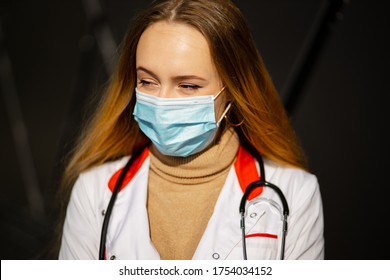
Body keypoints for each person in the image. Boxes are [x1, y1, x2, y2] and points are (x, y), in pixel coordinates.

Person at [58, 0, 324, 260]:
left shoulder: (294, 193)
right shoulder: (94, 191)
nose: (162, 102)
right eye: (148, 81)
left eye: (188, 86)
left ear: (232, 90)